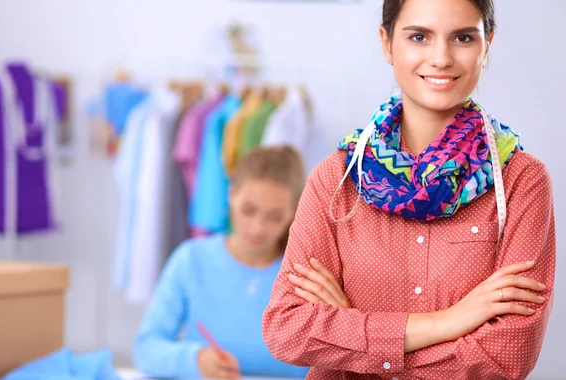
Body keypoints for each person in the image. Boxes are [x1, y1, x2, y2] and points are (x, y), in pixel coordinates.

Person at [262, 0, 556, 379]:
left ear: (488, 44)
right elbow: (287, 330)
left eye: (463, 38)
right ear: (387, 44)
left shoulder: (522, 182)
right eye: (419, 36)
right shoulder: (336, 179)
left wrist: (353, 329)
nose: (441, 58)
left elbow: (505, 356)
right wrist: (448, 322)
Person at [134, 146, 309, 379]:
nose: (258, 228)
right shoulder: (191, 260)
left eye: (274, 217)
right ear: (231, 194)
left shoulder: (305, 276)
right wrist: (194, 359)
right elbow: (146, 348)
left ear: (293, 213)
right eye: (248, 210)